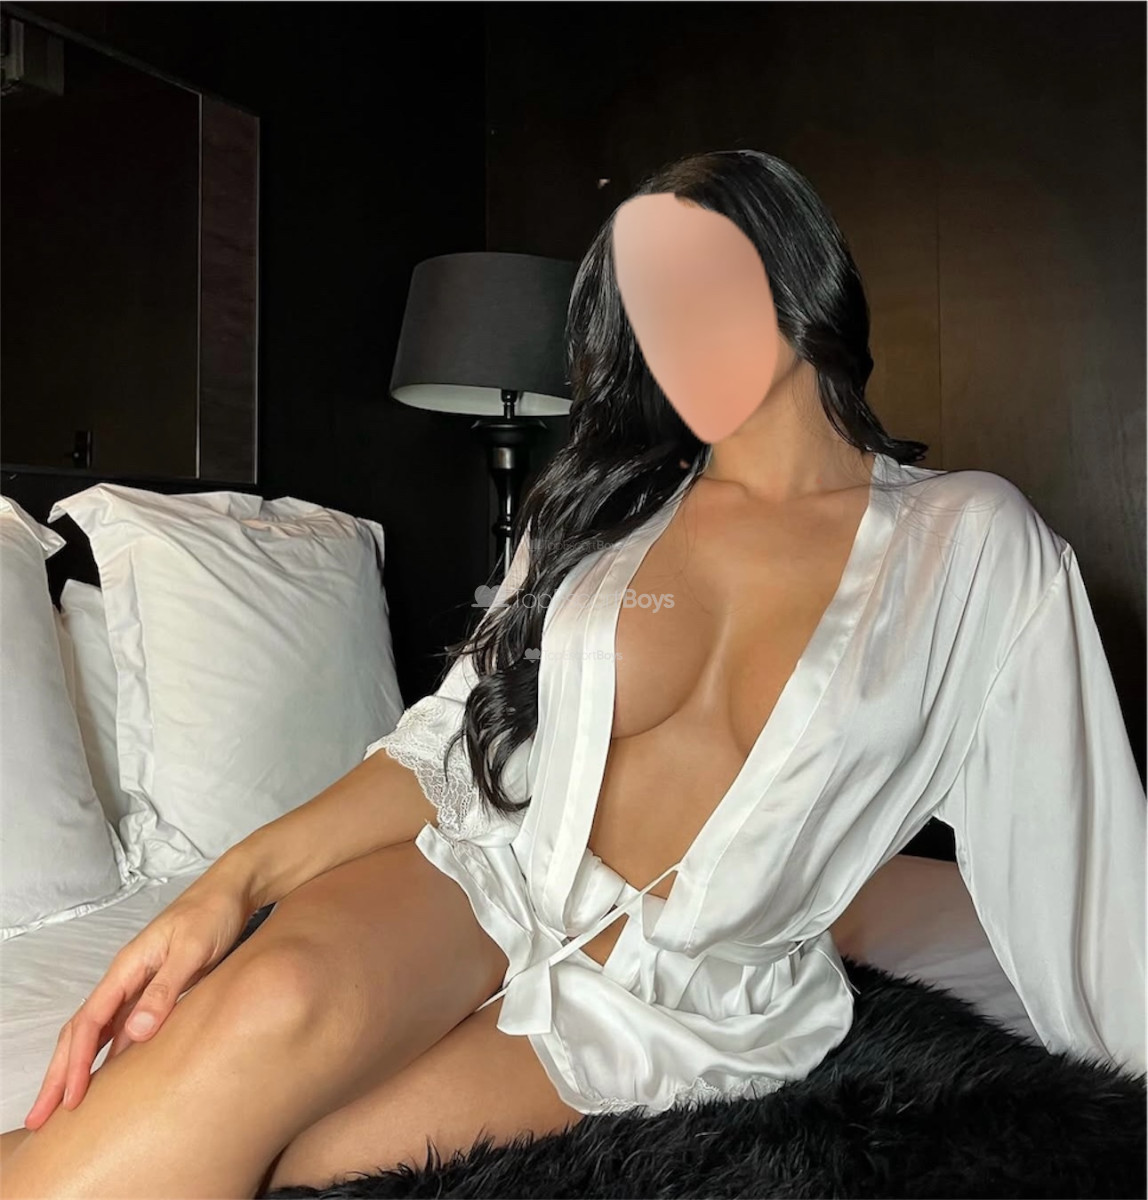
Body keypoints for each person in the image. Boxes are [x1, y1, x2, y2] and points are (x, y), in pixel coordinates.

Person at [4, 150, 1143, 1198]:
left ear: (793, 271)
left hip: (679, 997)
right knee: (264, 1010)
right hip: (482, 876)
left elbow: (1083, 861)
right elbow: (450, 749)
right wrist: (228, 883)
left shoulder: (970, 543)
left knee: (305, 1159)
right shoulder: (607, 514)